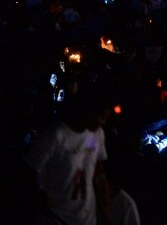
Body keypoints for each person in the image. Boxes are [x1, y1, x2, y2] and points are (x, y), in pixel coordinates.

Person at [24, 84, 112, 225]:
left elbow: (96, 167)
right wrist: (39, 193)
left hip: (86, 219)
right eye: (101, 117)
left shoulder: (96, 134)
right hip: (56, 218)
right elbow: (30, 169)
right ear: (87, 110)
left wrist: (105, 208)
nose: (103, 123)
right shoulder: (57, 136)